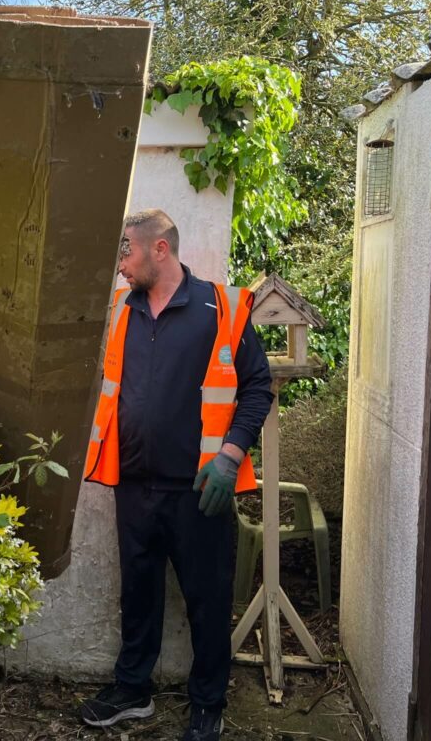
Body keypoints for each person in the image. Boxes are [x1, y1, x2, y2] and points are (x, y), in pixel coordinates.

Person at [80, 209, 273, 741]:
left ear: (159, 249)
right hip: (133, 483)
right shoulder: (121, 309)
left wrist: (230, 456)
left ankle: (208, 704)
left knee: (208, 600)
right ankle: (133, 690)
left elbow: (257, 387)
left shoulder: (221, 308)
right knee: (138, 594)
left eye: (126, 251)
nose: (120, 265)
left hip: (199, 491)